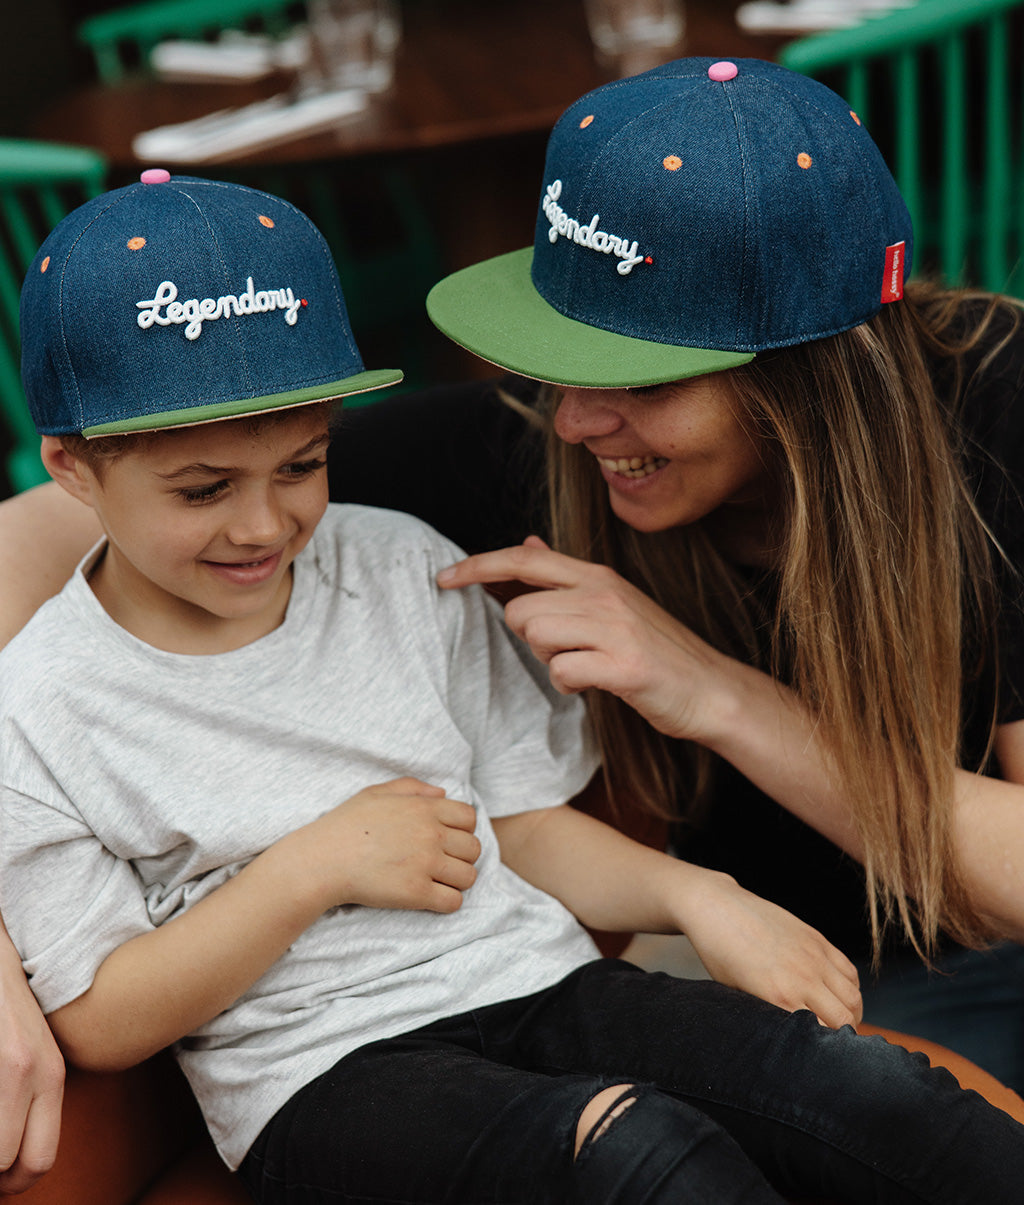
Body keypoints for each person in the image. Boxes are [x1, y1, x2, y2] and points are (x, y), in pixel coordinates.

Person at [4, 171, 1024, 1205]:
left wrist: (699, 896)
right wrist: (310, 868)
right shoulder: (39, 704)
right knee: (633, 1150)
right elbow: (101, 1017)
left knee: (858, 1087)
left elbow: (522, 826)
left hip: (540, 983)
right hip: (327, 1077)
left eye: (303, 465)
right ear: (72, 470)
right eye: (203, 489)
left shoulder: (400, 562)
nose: (265, 524)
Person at [416, 55, 1024, 1089]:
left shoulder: (998, 408)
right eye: (560, 353)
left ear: (806, 379)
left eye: (638, 378)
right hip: (835, 980)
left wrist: (714, 692)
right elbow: (141, 503)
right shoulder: (539, 441)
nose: (575, 420)